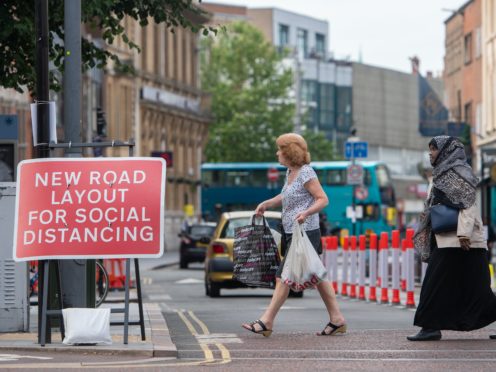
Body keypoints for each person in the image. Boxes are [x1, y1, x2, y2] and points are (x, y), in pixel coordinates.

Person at [241, 133, 346, 337]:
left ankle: (266, 321)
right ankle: (337, 319)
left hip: (305, 232)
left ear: (290, 151)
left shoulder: (306, 173)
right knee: (317, 275)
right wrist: (267, 203)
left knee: (283, 277)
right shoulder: (290, 172)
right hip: (291, 232)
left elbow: (322, 199)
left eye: (280, 149)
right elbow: (286, 195)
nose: (277, 152)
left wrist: (306, 213)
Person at [408, 136, 496, 341]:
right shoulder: (439, 174)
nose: (430, 153)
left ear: (447, 151)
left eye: (433, 149)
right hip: (447, 239)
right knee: (477, 289)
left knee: (433, 284)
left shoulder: (458, 172)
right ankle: (430, 327)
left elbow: (468, 204)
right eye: (429, 149)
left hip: (461, 241)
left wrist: (464, 233)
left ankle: (430, 327)